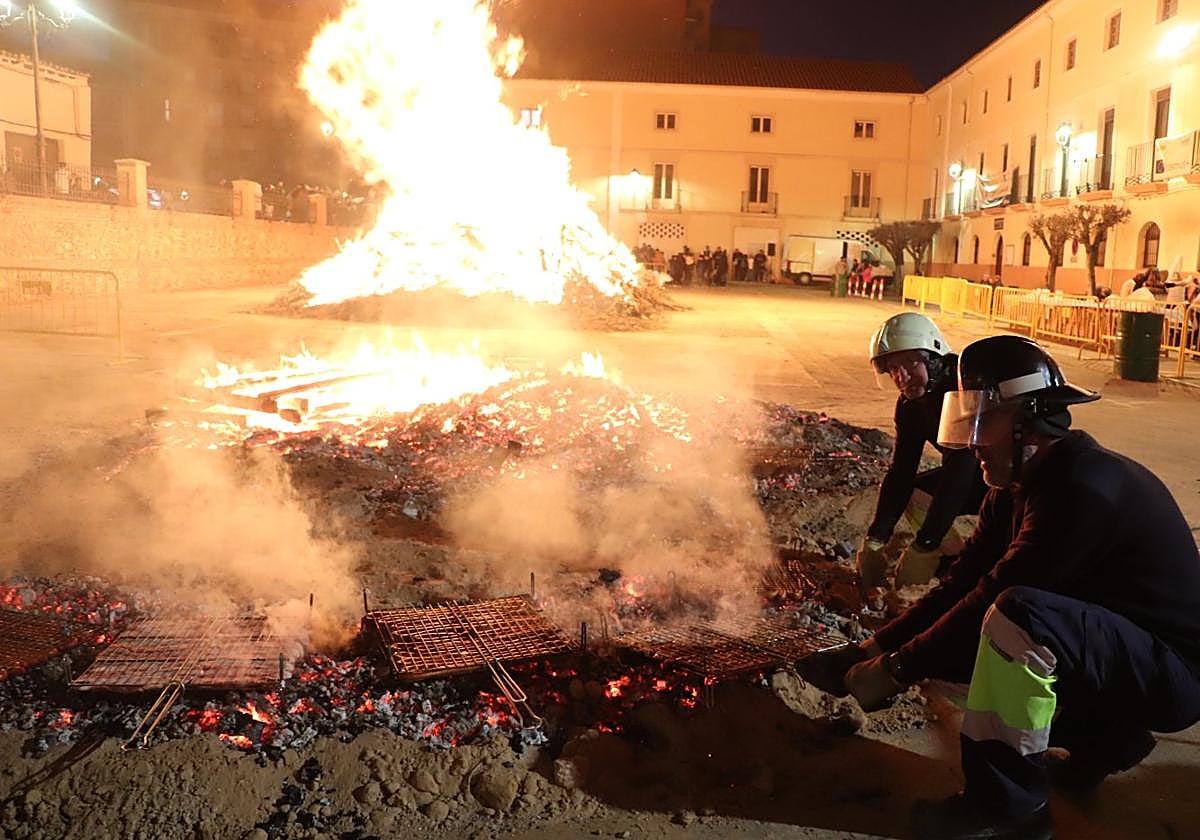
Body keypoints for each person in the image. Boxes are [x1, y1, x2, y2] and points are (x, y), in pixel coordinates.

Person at [801, 335, 1200, 839]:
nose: (971, 441)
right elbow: (963, 585)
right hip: (1122, 653)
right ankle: (1108, 740)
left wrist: (896, 670)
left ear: (1030, 422)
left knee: (1015, 621)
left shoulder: (1082, 491)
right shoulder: (1017, 487)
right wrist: (871, 649)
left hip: (1174, 675)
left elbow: (996, 600)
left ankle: (1008, 808)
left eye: (984, 420)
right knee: (972, 644)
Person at [858, 314, 986, 594]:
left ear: (933, 355)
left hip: (1010, 484)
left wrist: (924, 545)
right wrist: (876, 537)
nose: (900, 377)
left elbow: (958, 474)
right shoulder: (911, 405)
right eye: (892, 368)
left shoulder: (961, 389)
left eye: (909, 363)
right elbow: (901, 472)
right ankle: (952, 558)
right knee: (914, 494)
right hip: (977, 475)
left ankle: (972, 567)